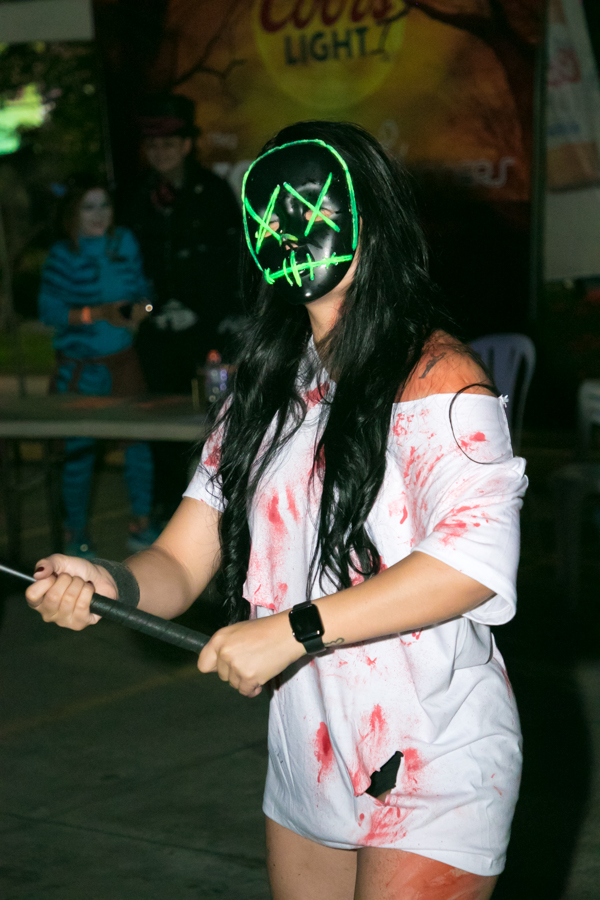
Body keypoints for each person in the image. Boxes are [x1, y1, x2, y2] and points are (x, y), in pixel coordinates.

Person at [27, 122, 527, 900]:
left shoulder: (437, 377)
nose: (287, 228)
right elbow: (179, 562)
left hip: (434, 754)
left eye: (309, 205)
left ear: (370, 216)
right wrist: (105, 582)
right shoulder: (262, 392)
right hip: (309, 756)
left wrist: (292, 631)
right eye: (267, 211)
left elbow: (470, 563)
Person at [125, 93, 243, 519]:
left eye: (169, 144)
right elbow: (131, 261)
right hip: (159, 328)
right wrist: (150, 308)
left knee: (218, 416)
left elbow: (231, 262)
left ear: (187, 145)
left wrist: (207, 312)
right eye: (153, 145)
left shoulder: (212, 191)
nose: (160, 153)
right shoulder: (138, 195)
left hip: (209, 330)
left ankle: (225, 510)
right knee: (160, 417)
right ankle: (168, 511)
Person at [39, 176, 157, 557]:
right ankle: (75, 534)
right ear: (72, 211)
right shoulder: (63, 254)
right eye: (88, 206)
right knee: (78, 454)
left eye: (104, 205)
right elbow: (50, 311)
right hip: (81, 369)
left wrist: (143, 310)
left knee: (139, 447)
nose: (98, 214)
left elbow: (144, 292)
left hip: (123, 363)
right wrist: (98, 313)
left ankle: (140, 525)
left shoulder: (124, 241)